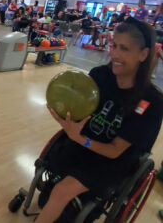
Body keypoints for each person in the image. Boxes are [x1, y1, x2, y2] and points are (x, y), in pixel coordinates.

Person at [36, 17, 163, 223]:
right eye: (114, 45)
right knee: (51, 165)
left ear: (144, 54)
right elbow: (80, 110)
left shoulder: (151, 102)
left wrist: (79, 138)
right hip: (83, 144)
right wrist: (66, 118)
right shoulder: (99, 75)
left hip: (112, 162)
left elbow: (115, 150)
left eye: (125, 49)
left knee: (61, 191)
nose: (115, 54)